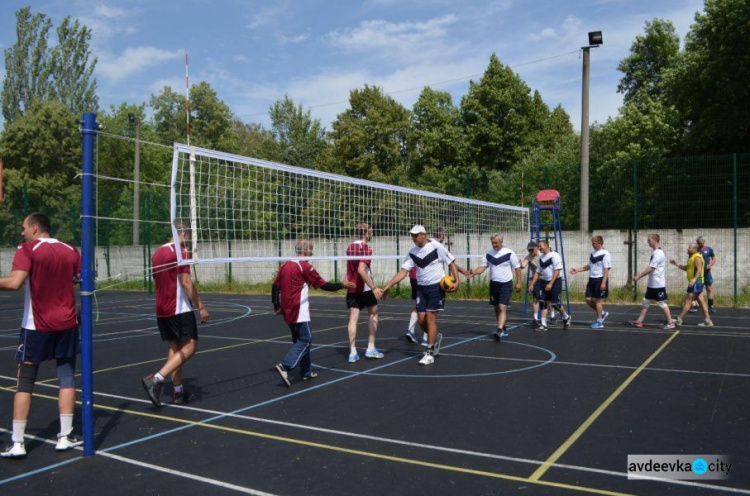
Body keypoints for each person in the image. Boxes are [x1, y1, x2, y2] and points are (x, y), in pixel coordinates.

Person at [0, 213, 82, 459]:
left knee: (25, 380)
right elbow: (81, 282)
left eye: (24, 228)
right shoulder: (71, 250)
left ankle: (17, 441)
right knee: (66, 375)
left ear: (35, 228)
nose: (22, 232)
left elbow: (15, 283)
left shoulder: (28, 249)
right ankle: (65, 436)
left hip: (36, 325)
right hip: (67, 323)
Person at [142, 222, 209, 408]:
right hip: (178, 309)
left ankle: (178, 391)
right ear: (185, 234)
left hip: (162, 309)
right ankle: (156, 379)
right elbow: (186, 282)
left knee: (175, 348)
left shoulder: (157, 253)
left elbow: (156, 282)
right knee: (190, 347)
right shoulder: (181, 252)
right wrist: (201, 306)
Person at [382, 225, 470, 365]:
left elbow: (451, 263)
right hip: (421, 288)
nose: (414, 238)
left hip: (436, 287)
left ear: (424, 234)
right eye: (412, 235)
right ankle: (434, 337)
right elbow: (403, 272)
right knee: (422, 320)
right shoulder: (412, 253)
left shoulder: (436, 246)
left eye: (416, 235)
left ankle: (429, 352)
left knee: (430, 317)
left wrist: (457, 281)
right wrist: (388, 285)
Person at [273, 240, 354, 386]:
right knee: (306, 340)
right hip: (299, 311)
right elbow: (324, 285)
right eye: (311, 249)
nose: (312, 252)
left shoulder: (285, 264)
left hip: (287, 310)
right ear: (305, 251)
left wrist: (276, 305)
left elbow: (275, 285)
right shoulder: (305, 266)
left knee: (300, 341)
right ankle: (285, 365)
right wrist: (343, 285)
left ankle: (305, 372)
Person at [469, 234, 522, 341]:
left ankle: (499, 330)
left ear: (501, 242)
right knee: (496, 308)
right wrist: (473, 272)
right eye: (492, 243)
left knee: (502, 307)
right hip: (494, 285)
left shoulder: (509, 253)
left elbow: (517, 268)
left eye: (496, 243)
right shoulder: (488, 254)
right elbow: (483, 267)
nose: (494, 245)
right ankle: (503, 327)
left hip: (506, 284)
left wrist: (519, 283)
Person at [345, 223, 385, 363]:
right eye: (371, 230)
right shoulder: (366, 247)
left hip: (352, 286)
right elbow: (361, 270)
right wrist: (374, 287)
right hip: (365, 288)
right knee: (373, 313)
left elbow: (350, 268)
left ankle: (352, 352)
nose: (372, 232)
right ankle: (370, 348)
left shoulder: (350, 247)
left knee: (353, 318)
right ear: (366, 232)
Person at [630, 234, 676, 329]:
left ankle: (670, 322)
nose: (648, 242)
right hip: (652, 283)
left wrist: (638, 276)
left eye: (649, 240)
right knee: (646, 301)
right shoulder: (655, 252)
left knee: (662, 303)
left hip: (658, 284)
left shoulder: (658, 253)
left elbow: (651, 268)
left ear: (655, 240)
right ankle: (639, 321)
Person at [569, 235, 611, 329]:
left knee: (597, 300)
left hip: (600, 279)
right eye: (592, 243)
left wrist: (604, 282)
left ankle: (599, 322)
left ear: (599, 243)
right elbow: (589, 266)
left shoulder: (605, 254)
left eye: (594, 243)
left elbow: (606, 269)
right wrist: (577, 270)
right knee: (588, 299)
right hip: (591, 279)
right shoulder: (593, 253)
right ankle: (602, 313)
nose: (592, 245)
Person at [528, 240, 571, 331]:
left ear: (546, 245)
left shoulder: (554, 255)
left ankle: (566, 317)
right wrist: (532, 284)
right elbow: (537, 272)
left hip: (555, 282)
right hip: (544, 282)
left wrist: (551, 283)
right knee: (543, 302)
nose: (539, 248)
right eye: (538, 247)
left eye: (540, 246)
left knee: (555, 304)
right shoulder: (541, 258)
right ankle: (543, 324)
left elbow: (557, 270)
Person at [670, 242, 714, 327]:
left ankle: (679, 319)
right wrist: (677, 264)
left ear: (694, 249)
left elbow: (699, 269)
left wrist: (694, 279)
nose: (688, 248)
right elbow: (687, 268)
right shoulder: (691, 257)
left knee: (689, 300)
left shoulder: (697, 257)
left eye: (689, 247)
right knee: (700, 301)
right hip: (696, 282)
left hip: (697, 282)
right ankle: (708, 320)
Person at [520, 241, 542, 327]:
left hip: (546, 278)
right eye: (529, 250)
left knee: (548, 299)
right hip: (536, 279)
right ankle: (535, 319)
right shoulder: (529, 256)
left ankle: (552, 314)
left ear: (536, 248)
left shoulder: (542, 255)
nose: (530, 252)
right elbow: (523, 265)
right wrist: (520, 264)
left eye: (532, 250)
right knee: (536, 299)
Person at [695, 236, 716, 313]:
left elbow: (714, 258)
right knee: (698, 289)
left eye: (701, 243)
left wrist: (710, 265)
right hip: (699, 273)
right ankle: (697, 305)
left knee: (709, 289)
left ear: (704, 242)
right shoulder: (696, 250)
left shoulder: (709, 249)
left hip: (707, 272)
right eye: (698, 243)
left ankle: (710, 306)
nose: (700, 245)